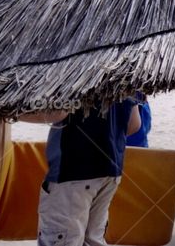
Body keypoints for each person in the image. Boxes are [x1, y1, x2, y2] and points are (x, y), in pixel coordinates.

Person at [20, 99, 141, 246]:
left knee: (62, 240)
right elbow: (134, 124)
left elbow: (58, 113)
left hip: (72, 171)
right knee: (93, 239)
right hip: (111, 172)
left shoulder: (64, 74)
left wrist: (8, 114)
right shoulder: (127, 75)